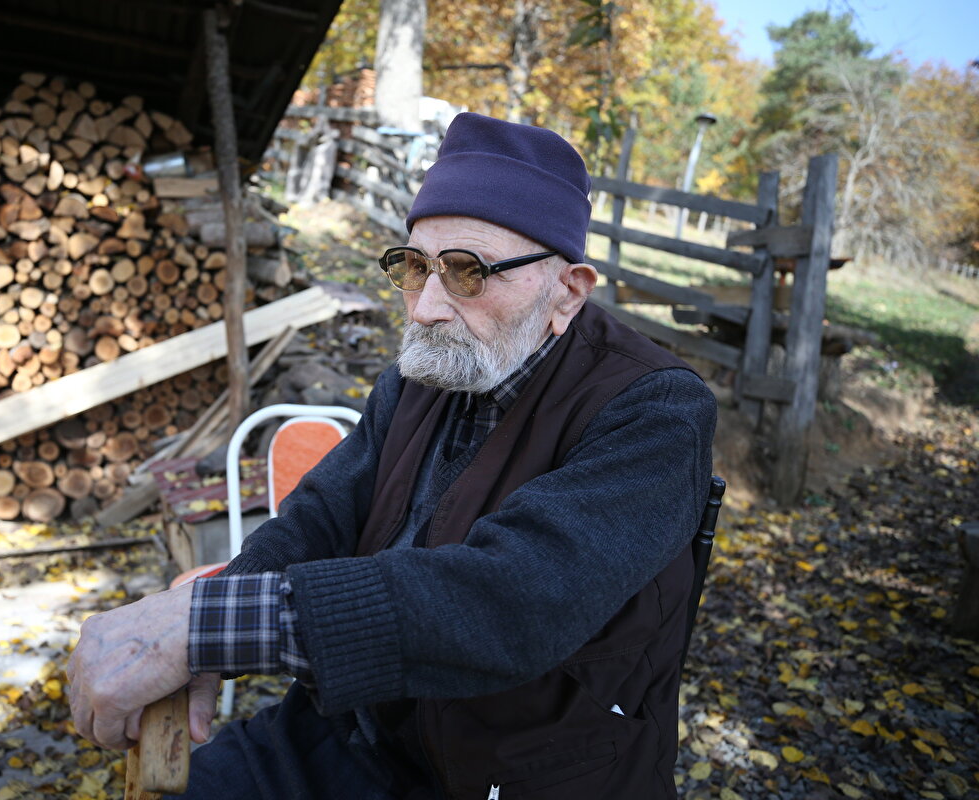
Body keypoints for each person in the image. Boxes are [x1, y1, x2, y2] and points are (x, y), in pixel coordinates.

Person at [67, 112, 717, 800]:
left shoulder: (656, 411)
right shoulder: (426, 371)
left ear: (567, 292)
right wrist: (212, 620)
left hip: (519, 773)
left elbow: (513, 605)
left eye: (469, 272)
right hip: (350, 729)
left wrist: (203, 627)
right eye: (416, 266)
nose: (427, 306)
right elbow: (322, 515)